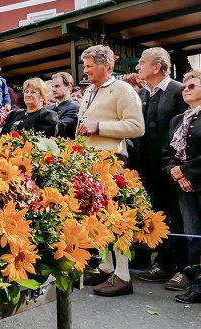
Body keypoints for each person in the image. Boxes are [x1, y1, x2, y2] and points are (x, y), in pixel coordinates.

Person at [76, 45, 145, 297]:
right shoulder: (89, 91)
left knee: (117, 219)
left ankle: (124, 276)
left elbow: (137, 127)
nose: (85, 70)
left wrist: (99, 127)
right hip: (89, 162)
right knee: (99, 217)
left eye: (89, 66)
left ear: (106, 65)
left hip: (112, 161)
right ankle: (106, 267)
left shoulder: (123, 89)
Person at [134, 47, 189, 289]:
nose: (138, 67)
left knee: (178, 218)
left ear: (157, 66)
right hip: (148, 169)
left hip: (172, 169)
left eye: (142, 62)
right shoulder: (143, 94)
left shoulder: (178, 91)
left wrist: (177, 167)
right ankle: (164, 263)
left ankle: (183, 268)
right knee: (159, 216)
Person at [162, 69, 201, 302]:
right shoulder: (178, 119)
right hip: (184, 187)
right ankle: (197, 284)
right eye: (184, 87)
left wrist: (185, 171)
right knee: (192, 236)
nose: (185, 90)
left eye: (192, 86)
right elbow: (166, 154)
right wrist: (176, 174)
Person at [46, 72, 79, 139]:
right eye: (52, 86)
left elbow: (60, 128)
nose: (53, 89)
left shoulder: (75, 107)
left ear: (69, 87)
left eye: (57, 86)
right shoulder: (47, 108)